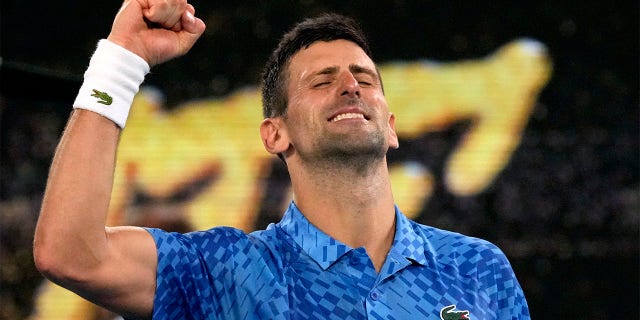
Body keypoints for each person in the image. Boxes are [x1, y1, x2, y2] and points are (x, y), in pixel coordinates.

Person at [33, 0, 530, 319]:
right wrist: (122, 60)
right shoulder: (228, 272)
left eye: (365, 78)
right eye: (322, 81)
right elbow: (71, 254)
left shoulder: (478, 268)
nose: (350, 86)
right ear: (275, 134)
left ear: (392, 126)